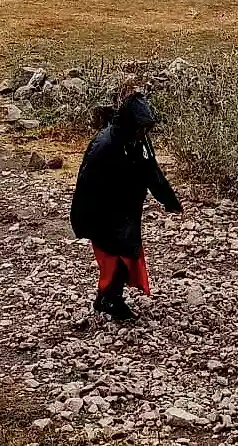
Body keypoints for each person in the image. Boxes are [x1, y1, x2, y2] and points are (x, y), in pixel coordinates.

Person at [70, 89, 183, 321]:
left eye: (147, 128)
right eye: (142, 128)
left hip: (126, 210)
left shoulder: (138, 139)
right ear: (131, 123)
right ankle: (110, 300)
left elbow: (151, 171)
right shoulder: (104, 146)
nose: (145, 132)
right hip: (103, 213)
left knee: (127, 253)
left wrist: (169, 201)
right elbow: (86, 186)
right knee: (115, 257)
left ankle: (109, 298)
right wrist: (83, 222)